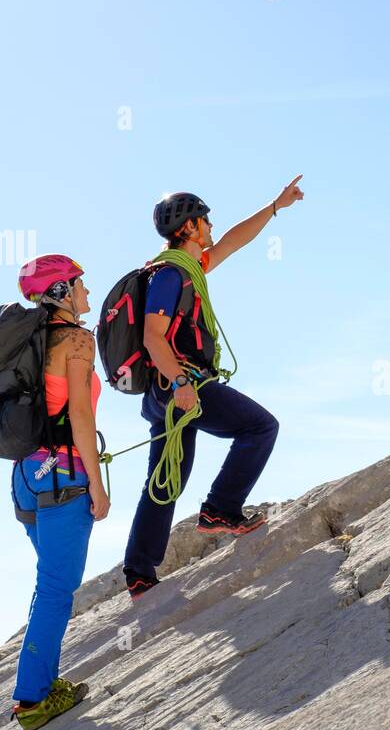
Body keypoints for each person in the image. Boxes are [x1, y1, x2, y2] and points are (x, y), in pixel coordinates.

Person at [123, 179, 303, 599]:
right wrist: (183, 382)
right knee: (260, 427)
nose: (210, 226)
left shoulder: (189, 267)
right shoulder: (170, 274)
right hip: (182, 384)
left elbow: (233, 242)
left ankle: (139, 571)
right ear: (189, 227)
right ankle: (220, 509)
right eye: (204, 219)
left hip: (166, 390)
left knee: (165, 480)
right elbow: (154, 336)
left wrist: (275, 206)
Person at [9, 254, 111, 730]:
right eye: (80, 284)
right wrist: (98, 483)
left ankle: (45, 686)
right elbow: (81, 419)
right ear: (61, 293)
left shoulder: (26, 342)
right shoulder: (76, 339)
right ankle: (31, 700)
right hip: (63, 475)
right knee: (55, 590)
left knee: (47, 585)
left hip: (26, 477)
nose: (87, 293)